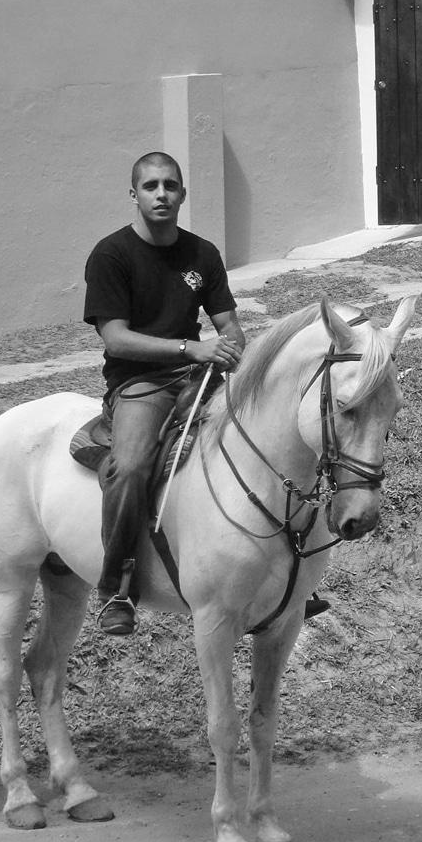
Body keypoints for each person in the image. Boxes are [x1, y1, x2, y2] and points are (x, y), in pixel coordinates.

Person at [84, 151, 328, 636]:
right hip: (139, 383)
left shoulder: (202, 255)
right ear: (134, 193)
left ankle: (290, 574)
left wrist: (232, 349)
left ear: (182, 194)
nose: (161, 194)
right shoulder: (111, 255)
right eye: (150, 186)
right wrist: (191, 349)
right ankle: (117, 586)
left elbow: (229, 327)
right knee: (129, 466)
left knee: (269, 437)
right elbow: (114, 337)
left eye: (170, 186)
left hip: (200, 378)